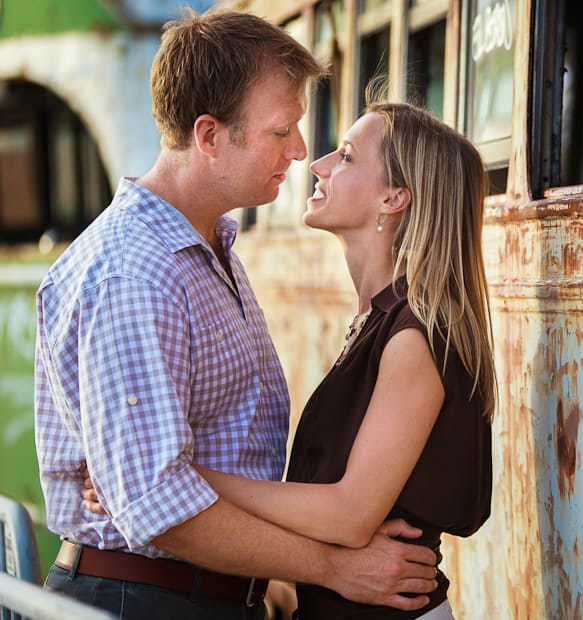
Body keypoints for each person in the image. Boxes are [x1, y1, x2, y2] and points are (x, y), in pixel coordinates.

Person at [34, 10, 438, 619]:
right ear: (209, 135)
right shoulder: (134, 273)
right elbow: (157, 504)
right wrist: (334, 568)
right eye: (282, 131)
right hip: (139, 603)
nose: (302, 151)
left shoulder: (208, 250)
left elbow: (187, 474)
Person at [186, 100, 497, 618]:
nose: (319, 163)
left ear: (394, 198)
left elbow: (350, 515)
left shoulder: (414, 340)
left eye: (347, 156)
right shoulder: (376, 324)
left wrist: (184, 478)